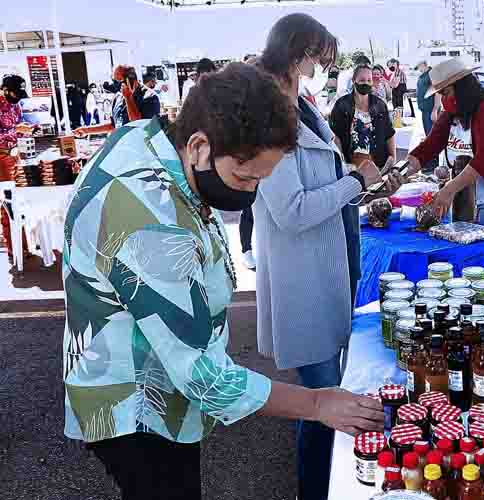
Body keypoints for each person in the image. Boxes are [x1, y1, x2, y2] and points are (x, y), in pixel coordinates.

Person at [62, 62, 384, 500]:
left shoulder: (155, 138)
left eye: (262, 179)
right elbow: (202, 377)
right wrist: (316, 403)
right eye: (245, 177)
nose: (251, 193)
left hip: (156, 370)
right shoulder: (148, 224)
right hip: (131, 400)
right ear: (198, 146)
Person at [252, 14, 398, 500]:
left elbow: (320, 181)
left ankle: (317, 483)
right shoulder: (266, 111)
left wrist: (358, 190)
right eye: (318, 58)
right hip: (301, 276)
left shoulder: (301, 103)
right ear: (297, 53)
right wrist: (354, 184)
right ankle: (313, 489)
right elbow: (291, 210)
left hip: (322, 263)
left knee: (323, 395)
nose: (320, 69)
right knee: (320, 402)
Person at [404, 58, 484, 226]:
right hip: (469, 195)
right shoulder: (450, 115)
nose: (443, 100)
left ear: (462, 88)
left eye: (445, 93)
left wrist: (449, 189)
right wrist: (400, 173)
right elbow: (427, 148)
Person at [330, 64, 396, 169]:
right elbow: (335, 135)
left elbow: (389, 133)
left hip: (379, 166)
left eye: (369, 80)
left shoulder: (379, 105)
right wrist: (340, 163)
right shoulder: (342, 104)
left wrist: (392, 158)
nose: (366, 83)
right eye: (362, 80)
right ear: (354, 80)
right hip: (351, 167)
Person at [0, 75, 32, 263]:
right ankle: (15, 248)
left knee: (20, 201)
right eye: (15, 93)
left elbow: (17, 126)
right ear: (4, 89)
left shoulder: (15, 105)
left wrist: (26, 129)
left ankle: (24, 245)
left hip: (14, 155)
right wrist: (17, 130)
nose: (17, 97)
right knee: (8, 203)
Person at [73, 65, 144, 136]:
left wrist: (128, 98)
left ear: (129, 80)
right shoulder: (118, 97)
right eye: (113, 80)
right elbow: (113, 125)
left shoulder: (147, 97)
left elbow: (137, 124)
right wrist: (86, 130)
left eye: (117, 80)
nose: (114, 84)